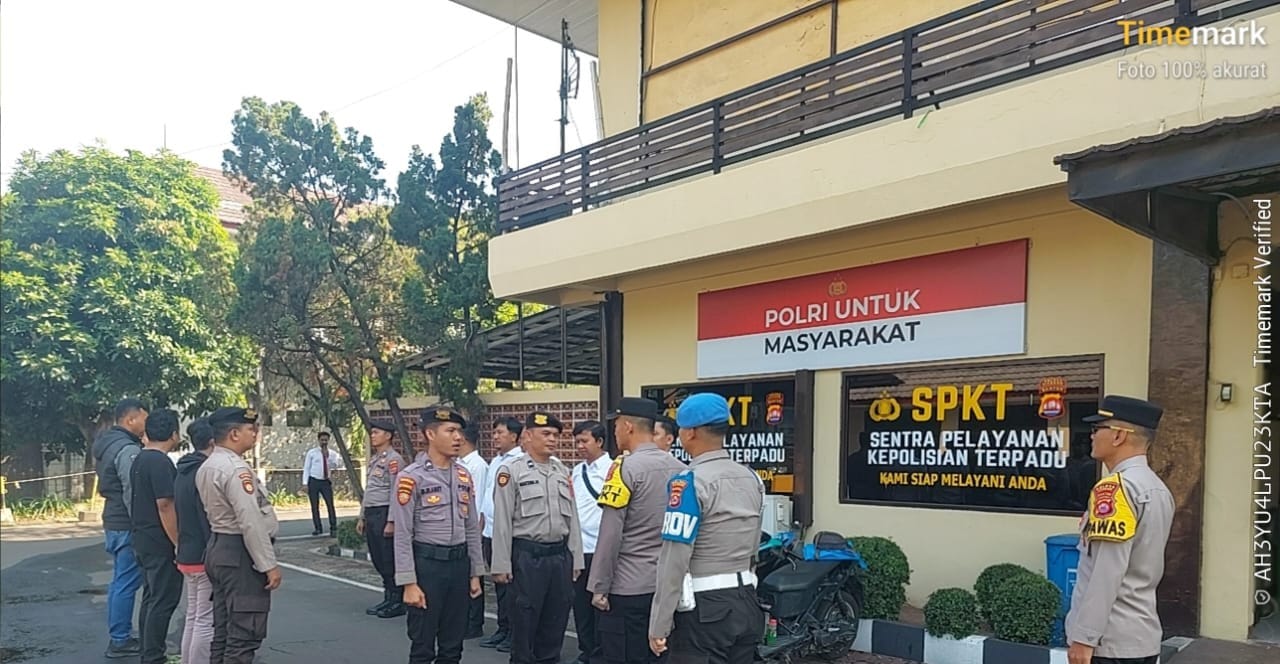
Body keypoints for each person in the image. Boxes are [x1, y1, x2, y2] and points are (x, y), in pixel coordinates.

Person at [649, 393, 764, 663]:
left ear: (690, 432)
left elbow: (674, 557)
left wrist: (659, 623)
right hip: (747, 600)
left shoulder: (688, 482)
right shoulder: (751, 477)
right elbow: (754, 544)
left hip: (705, 610)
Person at [1066, 395, 1174, 664]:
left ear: (1118, 436)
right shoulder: (1157, 487)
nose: (1091, 435)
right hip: (1140, 638)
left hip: (1108, 643)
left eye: (1097, 428)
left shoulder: (1115, 489)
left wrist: (1085, 637)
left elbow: (1107, 570)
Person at [591, 398, 687, 664]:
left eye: (616, 425)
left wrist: (599, 586)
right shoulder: (682, 470)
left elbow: (610, 535)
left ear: (628, 426)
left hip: (629, 586)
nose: (614, 431)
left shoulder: (623, 468)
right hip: (668, 586)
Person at [392, 406, 485, 664]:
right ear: (430, 434)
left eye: (459, 432)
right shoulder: (411, 477)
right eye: (450, 431)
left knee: (453, 646)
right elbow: (402, 534)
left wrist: (475, 573)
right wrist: (409, 583)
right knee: (423, 645)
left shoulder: (463, 476)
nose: (458, 437)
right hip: (427, 568)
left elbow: (471, 528)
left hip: (458, 566)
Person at [491, 411, 585, 664]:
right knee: (524, 626)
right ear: (528, 436)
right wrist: (501, 564)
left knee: (555, 624)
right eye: (546, 434)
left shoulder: (561, 470)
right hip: (527, 557)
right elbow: (502, 520)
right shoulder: (511, 471)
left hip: (559, 557)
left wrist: (576, 559)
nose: (552, 439)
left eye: (555, 435)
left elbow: (573, 519)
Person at [197, 407, 282, 664]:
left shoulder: (209, 464)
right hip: (239, 553)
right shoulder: (235, 469)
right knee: (244, 633)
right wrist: (268, 565)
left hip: (219, 547)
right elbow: (250, 521)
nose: (255, 434)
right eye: (250, 429)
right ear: (234, 434)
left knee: (224, 631)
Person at [92, 397, 148, 658]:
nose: (146, 424)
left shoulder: (106, 443)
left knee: (120, 581)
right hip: (126, 522)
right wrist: (142, 524)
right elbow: (131, 491)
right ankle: (120, 640)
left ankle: (120, 635)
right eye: (144, 419)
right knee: (126, 581)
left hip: (113, 520)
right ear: (130, 419)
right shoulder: (126, 449)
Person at [130, 409, 184, 664]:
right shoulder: (160, 462)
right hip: (160, 541)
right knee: (163, 600)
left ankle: (148, 651)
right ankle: (153, 656)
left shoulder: (140, 459)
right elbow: (165, 505)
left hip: (143, 537)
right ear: (174, 434)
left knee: (151, 598)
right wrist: (178, 542)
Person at [479, 416, 525, 652]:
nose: (495, 436)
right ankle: (502, 627)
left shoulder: (520, 461)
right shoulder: (496, 460)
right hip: (490, 531)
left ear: (514, 436)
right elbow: (488, 493)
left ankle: (514, 632)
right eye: (494, 432)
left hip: (507, 534)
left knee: (512, 587)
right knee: (498, 585)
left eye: (500, 432)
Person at [570, 420, 612, 664]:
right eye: (577, 442)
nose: (580, 446)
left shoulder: (614, 470)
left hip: (602, 550)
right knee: (581, 605)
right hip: (579, 549)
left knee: (601, 605)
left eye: (584, 441)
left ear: (600, 441)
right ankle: (586, 650)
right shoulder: (577, 471)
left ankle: (601, 653)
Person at [175, 417, 215, 664]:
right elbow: (206, 518)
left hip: (186, 553)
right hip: (203, 555)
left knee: (193, 615)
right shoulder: (204, 472)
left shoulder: (183, 470)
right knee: (205, 619)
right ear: (212, 441)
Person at [358, 418, 408, 619]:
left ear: (388, 436)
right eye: (372, 432)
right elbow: (370, 490)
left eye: (376, 432)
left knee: (388, 558)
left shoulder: (394, 460)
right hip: (372, 513)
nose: (372, 436)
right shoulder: (375, 459)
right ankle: (388, 596)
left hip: (384, 512)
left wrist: (391, 520)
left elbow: (396, 492)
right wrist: (362, 516)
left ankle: (397, 600)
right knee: (378, 557)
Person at [457, 424, 491, 640]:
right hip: (460, 527)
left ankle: (474, 622)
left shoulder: (477, 466)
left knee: (474, 574)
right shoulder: (459, 463)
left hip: (472, 527)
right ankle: (464, 619)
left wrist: (474, 530)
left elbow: (476, 500)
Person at [303, 431, 343, 536]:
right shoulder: (312, 453)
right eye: (322, 440)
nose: (324, 442)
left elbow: (336, 466)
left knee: (330, 504)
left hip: (325, 481)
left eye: (326, 440)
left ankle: (333, 527)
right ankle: (318, 528)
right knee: (314, 506)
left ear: (328, 441)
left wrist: (328, 457)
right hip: (314, 480)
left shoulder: (333, 454)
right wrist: (305, 483)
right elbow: (307, 468)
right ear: (318, 440)